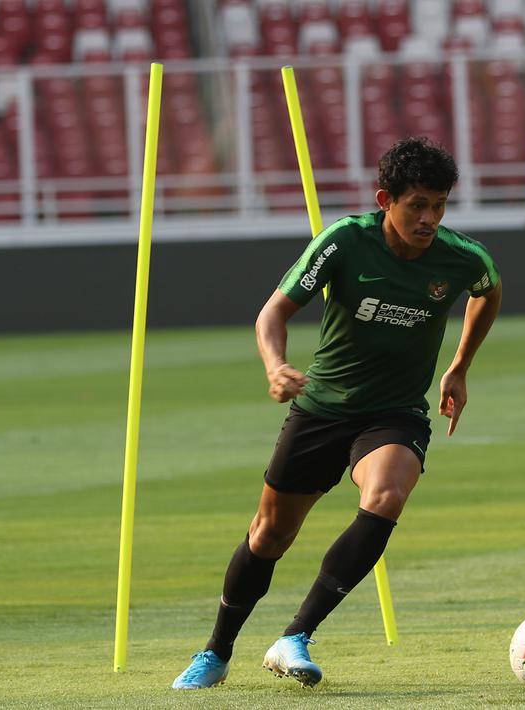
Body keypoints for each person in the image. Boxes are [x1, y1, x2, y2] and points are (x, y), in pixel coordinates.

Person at [172, 137, 502, 690]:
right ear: (385, 199)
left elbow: (487, 292)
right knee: (269, 535)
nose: (429, 219)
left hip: (395, 413)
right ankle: (217, 650)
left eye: (439, 205)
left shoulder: (463, 257)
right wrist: (275, 365)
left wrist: (460, 365)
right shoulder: (346, 242)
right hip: (323, 408)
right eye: (416, 204)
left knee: (386, 497)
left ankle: (295, 636)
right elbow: (272, 313)